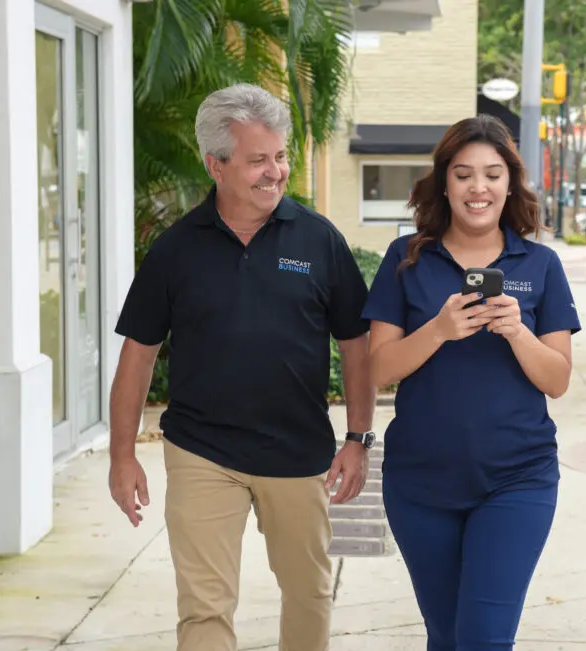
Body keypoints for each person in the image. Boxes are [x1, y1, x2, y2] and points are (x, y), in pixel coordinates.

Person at [107, 83, 377, 651]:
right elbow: (139, 353)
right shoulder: (176, 250)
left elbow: (356, 343)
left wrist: (357, 438)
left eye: (279, 157)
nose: (274, 172)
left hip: (298, 453)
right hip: (202, 452)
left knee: (308, 594)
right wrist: (122, 453)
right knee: (204, 611)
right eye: (258, 160)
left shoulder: (319, 238)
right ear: (216, 165)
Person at [361, 114, 581, 650]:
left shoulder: (541, 263)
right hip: (420, 484)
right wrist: (438, 329)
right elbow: (378, 369)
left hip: (517, 479)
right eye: (463, 174)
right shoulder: (406, 259)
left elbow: (558, 380)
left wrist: (518, 333)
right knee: (447, 635)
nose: (477, 188)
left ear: (510, 182)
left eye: (491, 174)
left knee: (483, 638)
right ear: (444, 182)